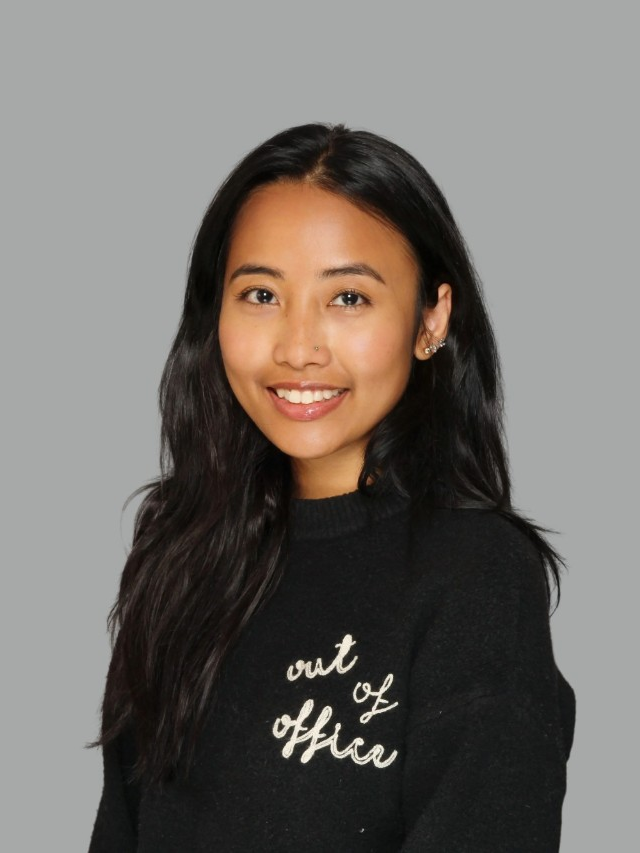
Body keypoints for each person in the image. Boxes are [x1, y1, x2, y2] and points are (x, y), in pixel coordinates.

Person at [87, 122, 576, 852]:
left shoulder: (476, 578)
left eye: (348, 298)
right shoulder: (178, 548)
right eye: (260, 294)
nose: (298, 349)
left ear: (431, 319)